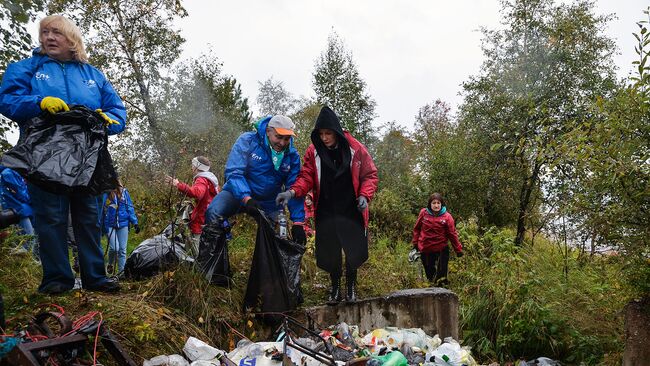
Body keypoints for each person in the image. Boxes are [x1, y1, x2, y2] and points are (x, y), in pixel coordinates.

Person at [0, 15, 126, 294]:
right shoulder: (27, 68)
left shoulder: (93, 75)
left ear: (72, 39)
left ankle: (95, 277)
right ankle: (57, 280)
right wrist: (38, 102)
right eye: (44, 32)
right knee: (51, 217)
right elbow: (7, 99)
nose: (48, 37)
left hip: (88, 155)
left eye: (56, 32)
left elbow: (118, 111)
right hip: (44, 151)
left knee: (88, 216)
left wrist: (109, 120)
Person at [276, 106, 378, 304]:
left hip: (352, 207)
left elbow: (370, 175)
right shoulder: (313, 151)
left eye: (328, 133)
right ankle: (334, 288)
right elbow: (306, 177)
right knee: (330, 251)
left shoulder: (355, 148)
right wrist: (292, 192)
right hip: (326, 208)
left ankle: (351, 287)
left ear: (336, 132)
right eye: (321, 134)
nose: (324, 138)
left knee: (353, 249)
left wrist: (365, 196)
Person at [165, 156, 219, 255]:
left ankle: (198, 269)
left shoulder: (202, 179)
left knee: (197, 251)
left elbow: (197, 193)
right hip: (209, 219)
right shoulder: (210, 179)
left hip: (201, 220)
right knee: (205, 249)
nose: (191, 167)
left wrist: (178, 185)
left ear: (196, 167)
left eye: (192, 165)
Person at [411, 193, 463, 287]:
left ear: (441, 204)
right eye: (433, 203)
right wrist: (415, 243)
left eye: (438, 203)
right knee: (430, 275)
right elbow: (417, 228)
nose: (436, 205)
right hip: (426, 248)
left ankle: (443, 295)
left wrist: (458, 250)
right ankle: (431, 294)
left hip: (441, 250)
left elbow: (452, 234)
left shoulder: (447, 217)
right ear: (429, 204)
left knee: (441, 277)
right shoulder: (424, 213)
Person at [0, 165, 38, 260]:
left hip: (16, 210)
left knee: (24, 239)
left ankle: (27, 264)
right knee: (29, 239)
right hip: (19, 210)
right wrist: (35, 199)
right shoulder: (9, 173)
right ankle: (27, 264)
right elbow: (21, 193)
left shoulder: (8, 172)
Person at [103, 183, 139, 275]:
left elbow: (129, 207)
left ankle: (121, 273)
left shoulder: (124, 192)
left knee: (122, 250)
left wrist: (135, 222)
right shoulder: (105, 193)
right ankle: (110, 263)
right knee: (115, 248)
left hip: (123, 224)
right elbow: (101, 209)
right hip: (110, 224)